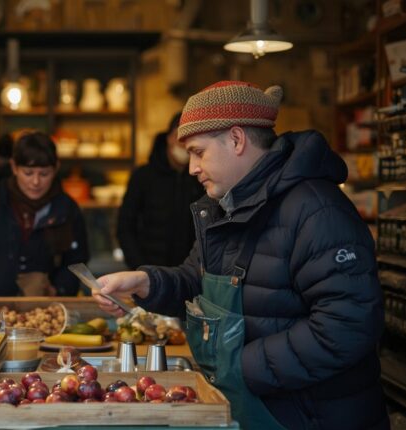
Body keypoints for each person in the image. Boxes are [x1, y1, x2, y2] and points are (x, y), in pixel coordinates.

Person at [92, 81, 387, 429]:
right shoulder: (225, 206)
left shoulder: (316, 210)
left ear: (236, 139)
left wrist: (238, 365)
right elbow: (196, 279)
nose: (191, 168)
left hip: (309, 417)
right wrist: (145, 283)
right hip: (253, 407)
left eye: (198, 152)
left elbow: (347, 325)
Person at [0, 131, 89, 297]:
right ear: (14, 167)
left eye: (44, 174)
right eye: (28, 173)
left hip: (48, 309)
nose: (36, 182)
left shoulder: (67, 208)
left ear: (56, 168)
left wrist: (58, 288)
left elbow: (77, 259)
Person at [117, 113, 203, 269]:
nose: (184, 145)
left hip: (190, 273)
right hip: (149, 270)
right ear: (169, 137)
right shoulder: (143, 176)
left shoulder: (200, 177)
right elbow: (125, 225)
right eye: (180, 137)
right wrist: (139, 267)